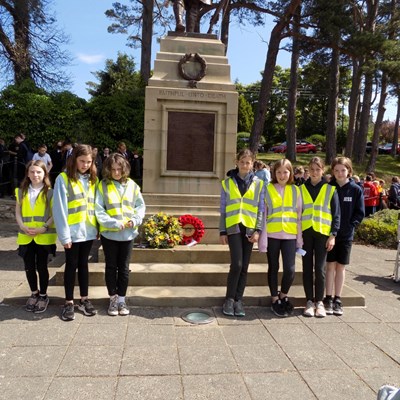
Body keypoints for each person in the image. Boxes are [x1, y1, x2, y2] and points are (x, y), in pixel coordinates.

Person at [95, 153, 146, 316]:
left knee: (124, 268)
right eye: (113, 169)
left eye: (119, 169)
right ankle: (113, 298)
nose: (116, 173)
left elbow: (140, 206)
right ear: (108, 170)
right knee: (111, 267)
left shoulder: (133, 186)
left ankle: (122, 299)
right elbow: (99, 210)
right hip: (110, 234)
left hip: (128, 234)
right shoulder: (102, 185)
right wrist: (114, 223)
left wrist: (135, 220)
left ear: (124, 169)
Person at [53, 144, 99, 321]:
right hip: (72, 232)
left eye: (89, 162)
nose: (85, 165)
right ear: (74, 160)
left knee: (84, 265)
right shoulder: (63, 179)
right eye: (82, 161)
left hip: (87, 231)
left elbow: (93, 205)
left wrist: (96, 228)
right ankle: (69, 302)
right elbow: (60, 210)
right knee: (71, 265)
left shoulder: (92, 179)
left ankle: (84, 299)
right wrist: (64, 236)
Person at [219, 149, 264, 317]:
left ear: (253, 164)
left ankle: (239, 300)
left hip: (250, 228)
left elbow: (260, 209)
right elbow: (223, 209)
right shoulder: (227, 183)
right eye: (242, 161)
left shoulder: (259, 184)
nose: (245, 165)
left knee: (245, 266)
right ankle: (229, 299)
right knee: (236, 264)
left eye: (248, 162)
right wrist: (222, 231)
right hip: (233, 227)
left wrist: (258, 230)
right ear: (236, 162)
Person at [261, 159, 302, 317]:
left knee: (290, 270)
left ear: (290, 173)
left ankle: (283, 295)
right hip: (272, 234)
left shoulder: (296, 190)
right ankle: (274, 298)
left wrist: (300, 239)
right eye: (278, 172)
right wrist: (262, 238)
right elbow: (263, 214)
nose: (282, 175)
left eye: (285, 172)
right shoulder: (268, 189)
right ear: (274, 173)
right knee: (273, 267)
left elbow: (299, 216)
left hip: (290, 235)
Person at [323, 157, 364, 316]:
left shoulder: (355, 189)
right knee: (330, 266)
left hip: (346, 236)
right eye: (336, 170)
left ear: (349, 171)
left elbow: (359, 213)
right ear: (332, 172)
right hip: (329, 236)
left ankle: (337, 298)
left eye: (343, 170)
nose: (340, 173)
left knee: (340, 266)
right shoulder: (328, 188)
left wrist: (350, 225)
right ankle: (328, 298)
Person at [15, 160, 57, 313]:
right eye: (32, 171)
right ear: (27, 173)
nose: (35, 175)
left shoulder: (50, 192)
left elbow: (54, 214)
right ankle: (34, 293)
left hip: (43, 236)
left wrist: (43, 227)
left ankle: (44, 295)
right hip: (25, 235)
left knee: (42, 267)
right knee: (29, 267)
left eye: (39, 172)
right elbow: (18, 212)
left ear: (44, 173)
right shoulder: (21, 191)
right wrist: (22, 226)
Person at [301, 157, 340, 318]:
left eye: (318, 169)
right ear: (307, 171)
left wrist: (333, 235)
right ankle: (309, 301)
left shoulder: (330, 189)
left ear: (322, 170)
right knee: (306, 268)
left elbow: (336, 215)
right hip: (306, 234)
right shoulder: (301, 188)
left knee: (320, 269)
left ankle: (319, 302)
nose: (315, 172)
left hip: (323, 234)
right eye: (312, 169)